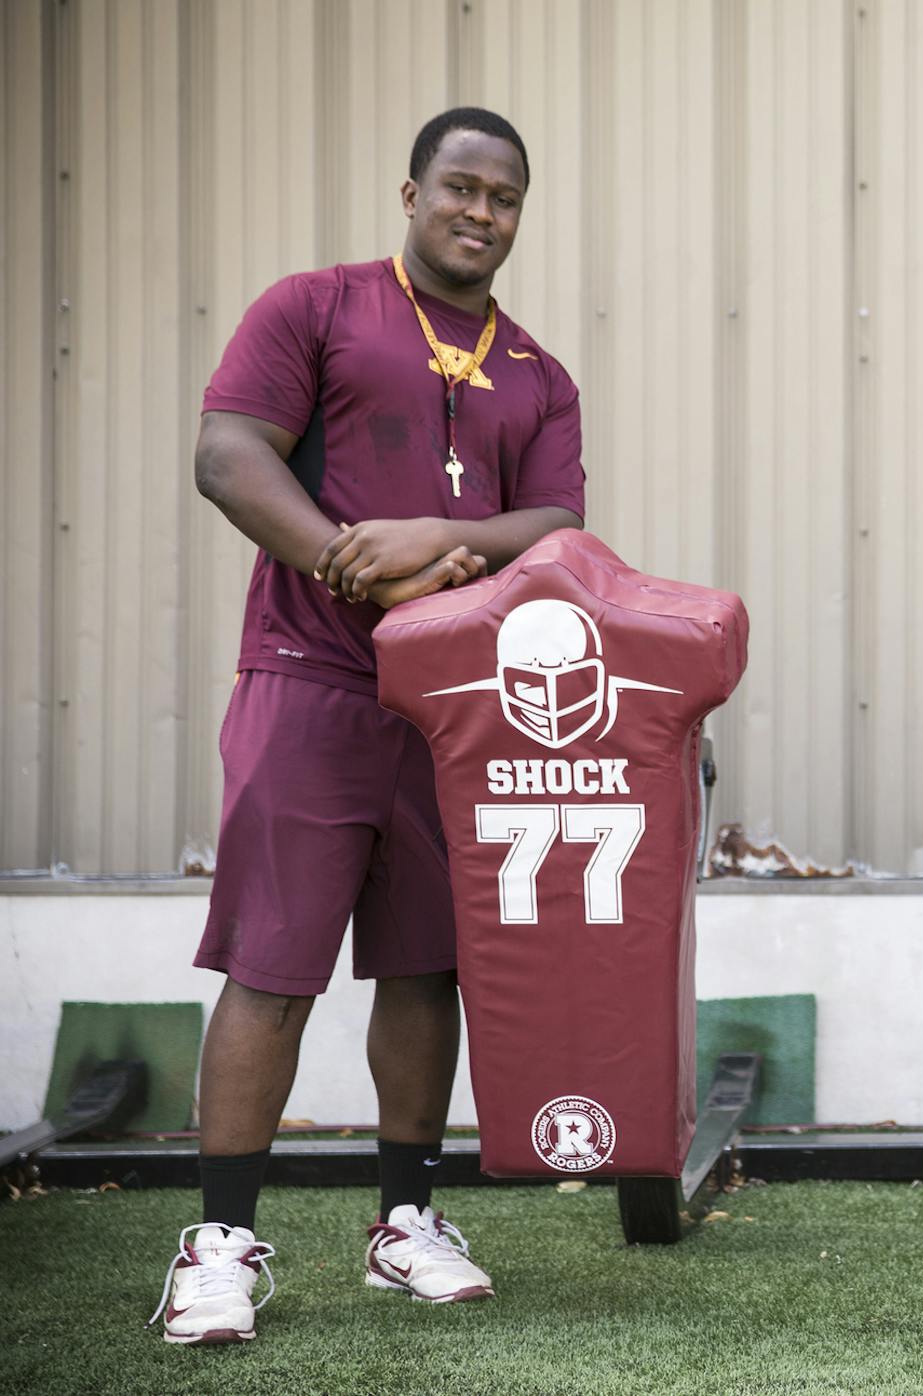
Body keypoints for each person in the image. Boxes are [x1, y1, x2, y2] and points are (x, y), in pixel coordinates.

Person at [153, 107, 585, 1346]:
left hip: (454, 706)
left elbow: (557, 522)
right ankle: (220, 1242)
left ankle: (406, 1221)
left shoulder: (537, 371)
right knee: (272, 960)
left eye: (504, 197)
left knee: (426, 962)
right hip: (312, 677)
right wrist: (365, 570)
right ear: (410, 193)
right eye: (460, 188)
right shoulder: (318, 307)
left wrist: (434, 549)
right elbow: (230, 455)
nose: (481, 213)